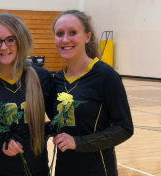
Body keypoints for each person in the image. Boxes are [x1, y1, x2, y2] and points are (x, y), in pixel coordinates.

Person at [0, 13, 55, 176]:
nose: (3, 47)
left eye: (10, 39)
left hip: (36, 169)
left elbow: (57, 122)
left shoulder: (42, 78)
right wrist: (0, 143)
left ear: (21, 40)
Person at [51, 10, 134, 176]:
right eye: (60, 34)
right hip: (64, 168)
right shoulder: (57, 79)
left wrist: (78, 142)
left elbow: (124, 127)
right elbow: (65, 123)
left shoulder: (106, 75)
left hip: (97, 168)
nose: (65, 39)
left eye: (73, 32)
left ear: (87, 37)